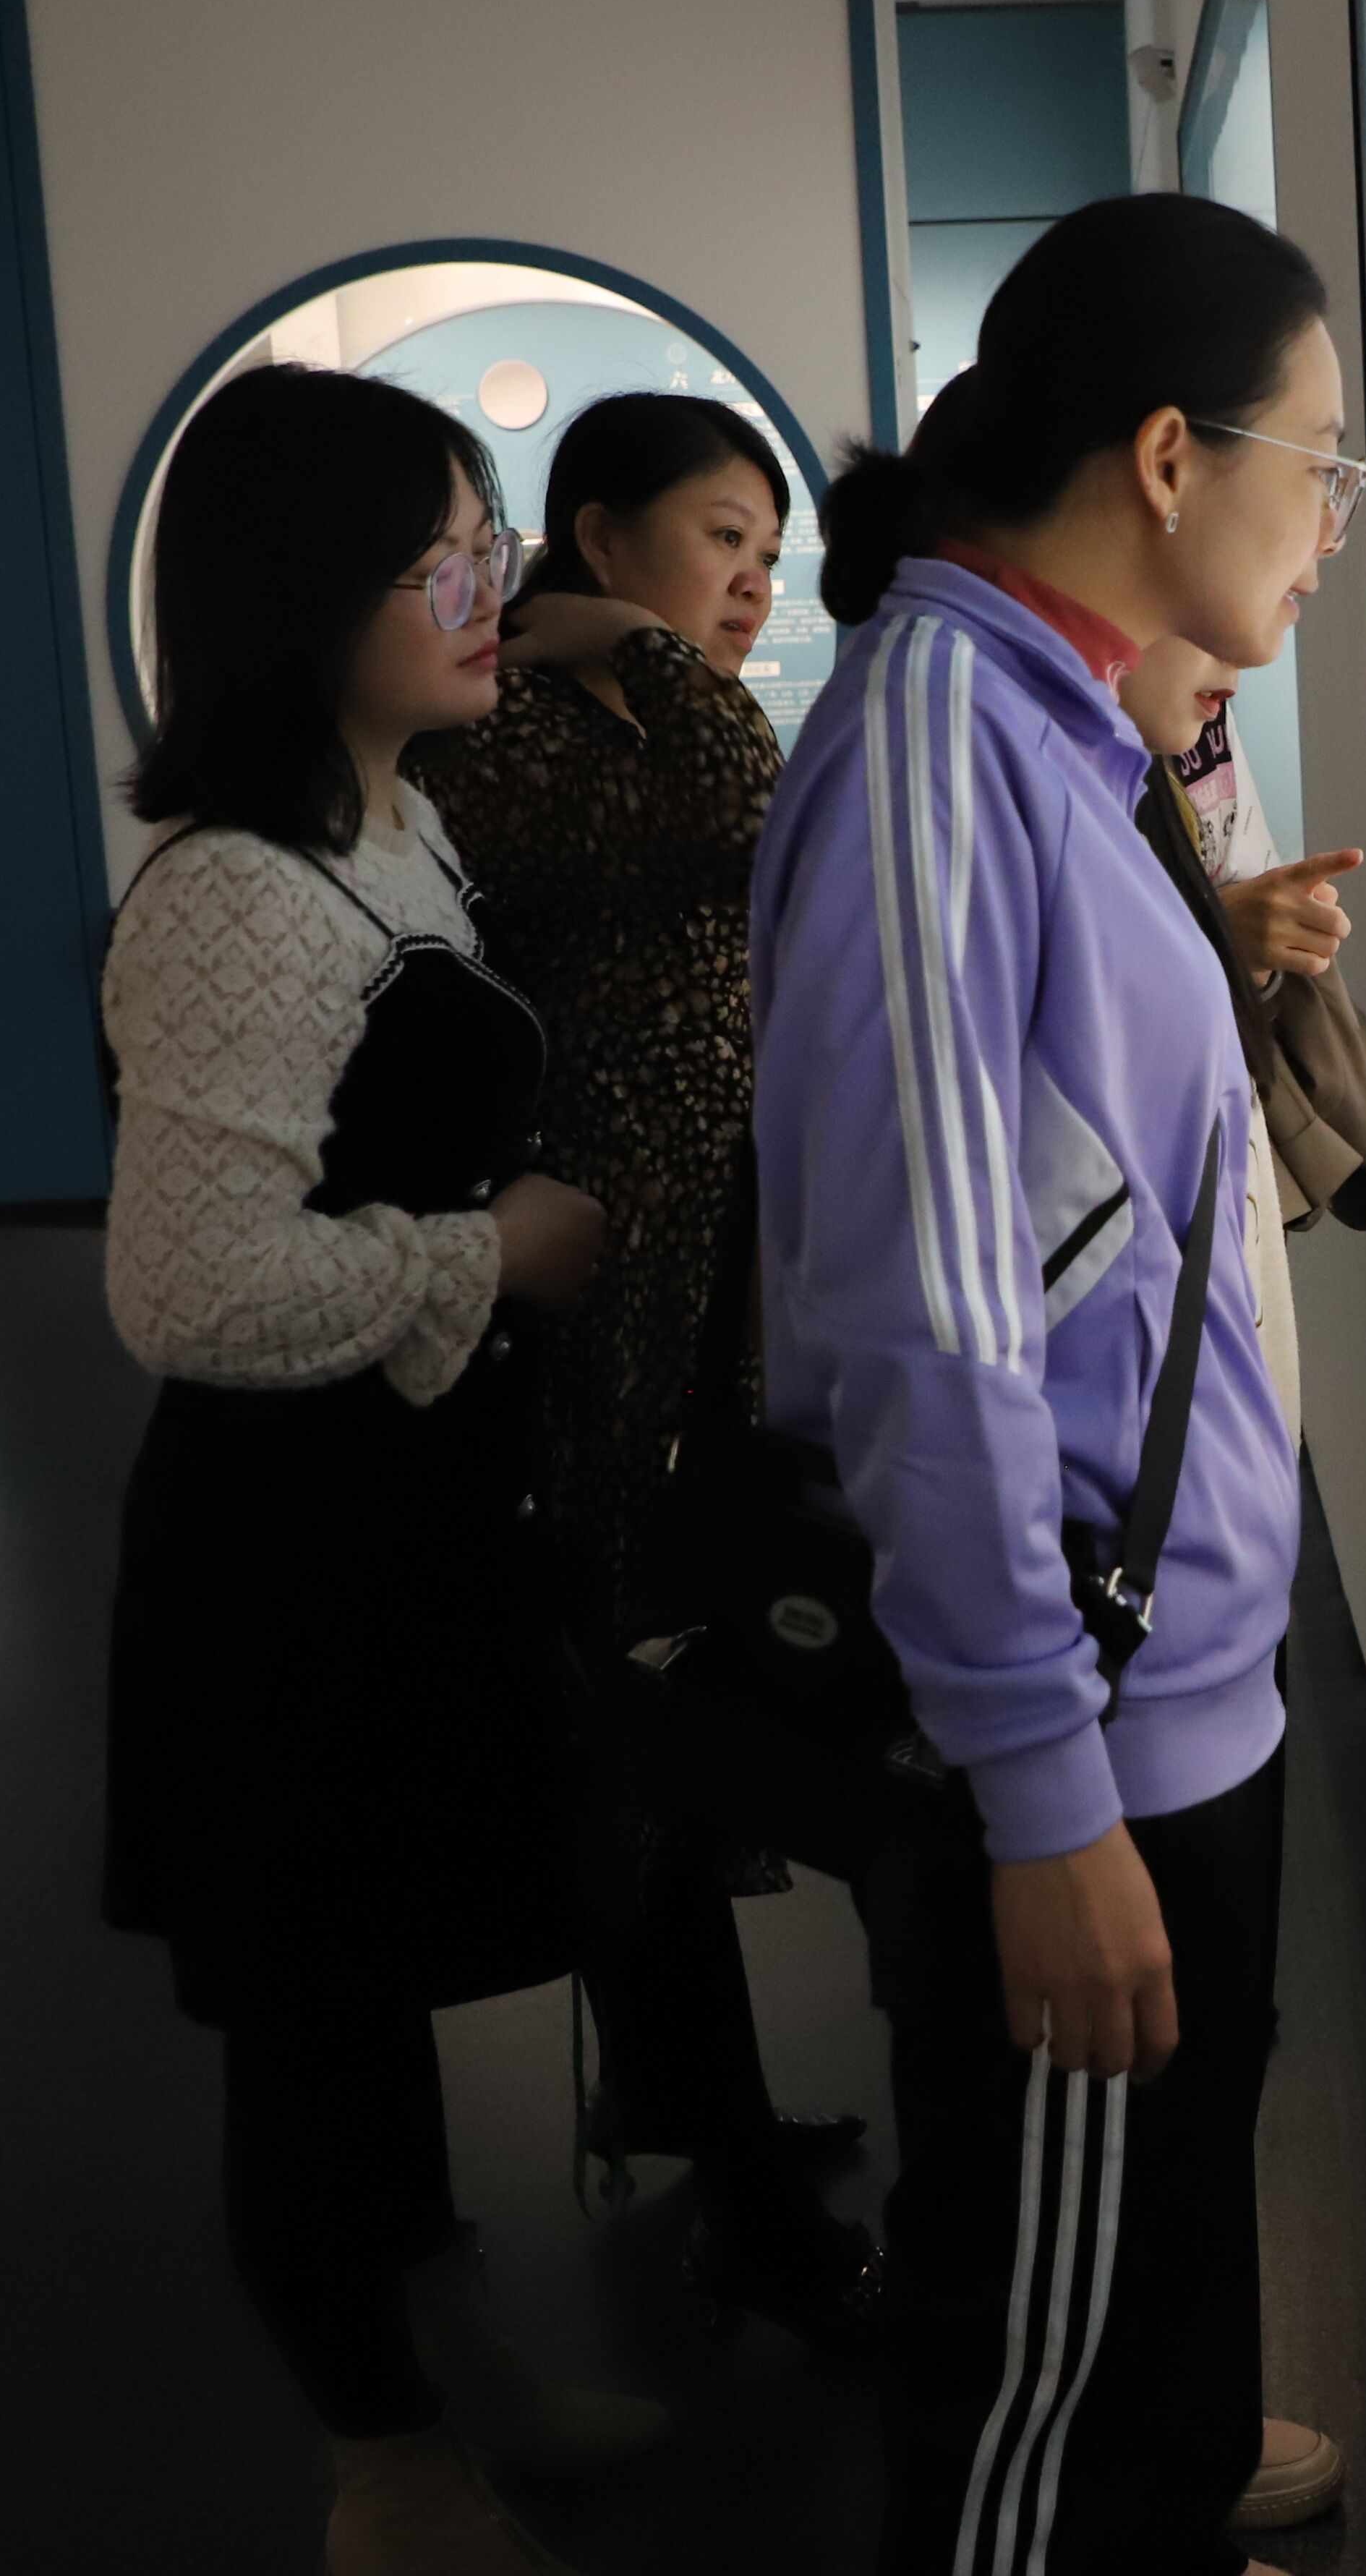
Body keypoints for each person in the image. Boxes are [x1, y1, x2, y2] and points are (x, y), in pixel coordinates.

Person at [754, 192, 1352, 2573]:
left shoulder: (1059, 717)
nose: (1333, 523)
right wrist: (1041, 1796)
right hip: (1083, 1718)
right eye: (1324, 465)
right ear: (1172, 457)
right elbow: (930, 1318)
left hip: (1169, 1684)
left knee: (1150, 2285)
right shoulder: (938, 740)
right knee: (1043, 2385)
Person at [97, 362, 647, 2576]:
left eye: (487, 546)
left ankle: (449, 2365)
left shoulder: (386, 815)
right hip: (291, 1559)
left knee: (372, 1975)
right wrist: (491, 1254)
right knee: (315, 2012)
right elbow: (192, 1289)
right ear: (309, 588)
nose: (484, 590)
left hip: (406, 1525)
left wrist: (572, 607)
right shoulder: (238, 895)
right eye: (442, 558)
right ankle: (384, 2464)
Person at [401, 392, 879, 2340]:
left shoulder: (621, 702)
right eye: (717, 540)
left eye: (769, 553)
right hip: (593, 1310)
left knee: (685, 1701)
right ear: (595, 534)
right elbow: (751, 801)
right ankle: (729, 2161)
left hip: (700, 1302)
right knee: (635, 1711)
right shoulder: (517, 723)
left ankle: (699, 2102)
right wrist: (637, 651)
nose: (752, 584)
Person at [1112, 634, 1366, 1436]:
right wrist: (1220, 935)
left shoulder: (1192, 717)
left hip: (1222, 1159)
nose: (1238, 667)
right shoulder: (1035, 748)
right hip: (1142, 1213)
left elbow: (1242, 903)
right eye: (1200, 627)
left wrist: (1262, 948)